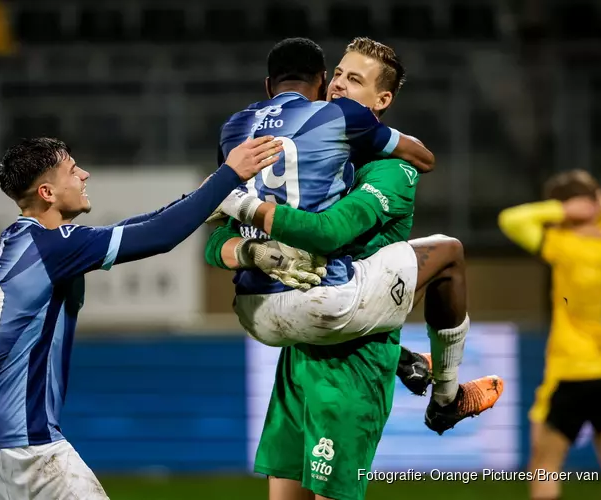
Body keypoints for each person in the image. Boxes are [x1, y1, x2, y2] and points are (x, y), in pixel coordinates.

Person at [207, 37, 501, 500]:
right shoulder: (308, 153)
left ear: (381, 101)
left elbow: (332, 232)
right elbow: (218, 242)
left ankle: (440, 389)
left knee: (447, 250)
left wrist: (247, 208)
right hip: (300, 353)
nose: (341, 85)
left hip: (351, 361)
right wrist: (249, 251)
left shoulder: (389, 169)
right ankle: (432, 379)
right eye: (339, 74)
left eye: (356, 80)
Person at [0, 136, 284, 500]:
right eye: (71, 169)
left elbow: (135, 229)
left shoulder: (22, 240)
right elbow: (158, 236)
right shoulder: (54, 247)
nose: (85, 174)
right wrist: (228, 176)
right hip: (23, 443)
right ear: (47, 192)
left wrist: (200, 198)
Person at [497, 170, 601, 500]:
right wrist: (592, 200)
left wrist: (562, 211)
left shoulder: (565, 247)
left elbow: (511, 219)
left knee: (543, 470)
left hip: (570, 372)